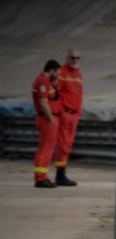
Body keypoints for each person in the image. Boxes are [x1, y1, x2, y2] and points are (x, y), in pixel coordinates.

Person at [53, 48, 84, 186]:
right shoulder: (62, 73)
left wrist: (78, 112)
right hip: (65, 113)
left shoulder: (78, 74)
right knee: (62, 145)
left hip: (74, 115)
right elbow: (55, 93)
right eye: (73, 58)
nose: (75, 60)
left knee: (68, 145)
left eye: (78, 58)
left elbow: (78, 95)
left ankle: (62, 174)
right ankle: (60, 174)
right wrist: (61, 111)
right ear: (67, 58)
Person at [31, 60, 63, 188]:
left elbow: (52, 97)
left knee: (48, 149)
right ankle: (39, 178)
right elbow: (43, 102)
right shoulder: (42, 81)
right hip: (47, 119)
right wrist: (51, 118)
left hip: (49, 118)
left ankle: (43, 176)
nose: (58, 76)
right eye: (57, 73)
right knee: (45, 149)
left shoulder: (47, 82)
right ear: (52, 70)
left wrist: (54, 85)